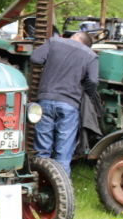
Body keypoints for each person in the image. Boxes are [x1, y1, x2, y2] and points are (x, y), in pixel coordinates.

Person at [30, 31, 98, 175]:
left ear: (75, 36)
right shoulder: (90, 55)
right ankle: (61, 186)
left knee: (42, 151)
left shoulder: (54, 42)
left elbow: (35, 58)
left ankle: (39, 183)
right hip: (69, 105)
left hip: (45, 101)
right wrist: (86, 94)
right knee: (63, 155)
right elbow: (93, 81)